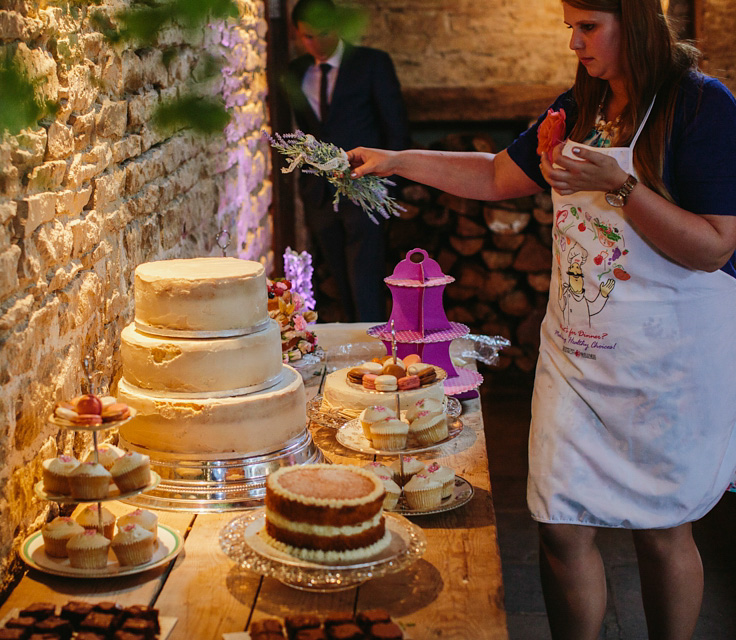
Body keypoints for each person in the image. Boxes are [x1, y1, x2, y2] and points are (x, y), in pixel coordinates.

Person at [347, 1, 736, 638]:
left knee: (663, 531)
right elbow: (501, 174)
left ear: (634, 21)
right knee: (557, 524)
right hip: (578, 356)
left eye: (589, 27)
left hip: (670, 362)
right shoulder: (579, 107)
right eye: (570, 27)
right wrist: (399, 159)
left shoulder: (701, 107)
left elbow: (715, 245)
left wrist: (621, 185)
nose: (575, 43)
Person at [284, 0, 410, 322]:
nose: (316, 43)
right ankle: (352, 356)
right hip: (318, 195)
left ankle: (375, 352)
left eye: (323, 34)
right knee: (340, 280)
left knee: (367, 280)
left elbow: (395, 127)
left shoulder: (371, 63)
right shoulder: (295, 72)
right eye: (307, 36)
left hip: (365, 187)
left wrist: (386, 187)